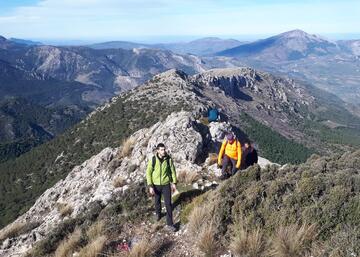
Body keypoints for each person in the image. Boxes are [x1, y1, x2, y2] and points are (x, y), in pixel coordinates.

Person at [146, 143, 177, 231]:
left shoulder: (168, 159)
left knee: (168, 204)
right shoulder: (153, 160)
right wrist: (150, 185)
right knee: (157, 201)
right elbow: (148, 173)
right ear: (158, 151)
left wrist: (174, 182)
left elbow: (172, 170)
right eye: (162, 150)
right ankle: (158, 214)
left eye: (164, 149)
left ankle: (170, 224)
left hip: (166, 184)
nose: (164, 151)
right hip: (155, 184)